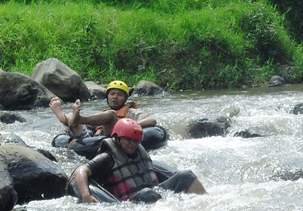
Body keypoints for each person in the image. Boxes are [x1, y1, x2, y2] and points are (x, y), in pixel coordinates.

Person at [70, 118, 205, 203]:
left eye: (135, 140)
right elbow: (81, 170)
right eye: (128, 140)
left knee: (186, 175)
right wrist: (85, 195)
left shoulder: (140, 153)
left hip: (155, 193)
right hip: (130, 203)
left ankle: (204, 203)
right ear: (116, 138)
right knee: (147, 193)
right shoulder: (108, 158)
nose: (132, 143)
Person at [50, 79, 167, 157]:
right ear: (107, 97)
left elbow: (152, 121)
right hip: (94, 140)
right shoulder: (101, 115)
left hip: (115, 138)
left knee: (111, 115)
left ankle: (79, 118)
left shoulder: (132, 112)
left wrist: (126, 127)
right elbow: (89, 129)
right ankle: (66, 117)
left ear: (125, 99)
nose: (115, 97)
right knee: (72, 119)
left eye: (119, 95)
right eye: (112, 94)